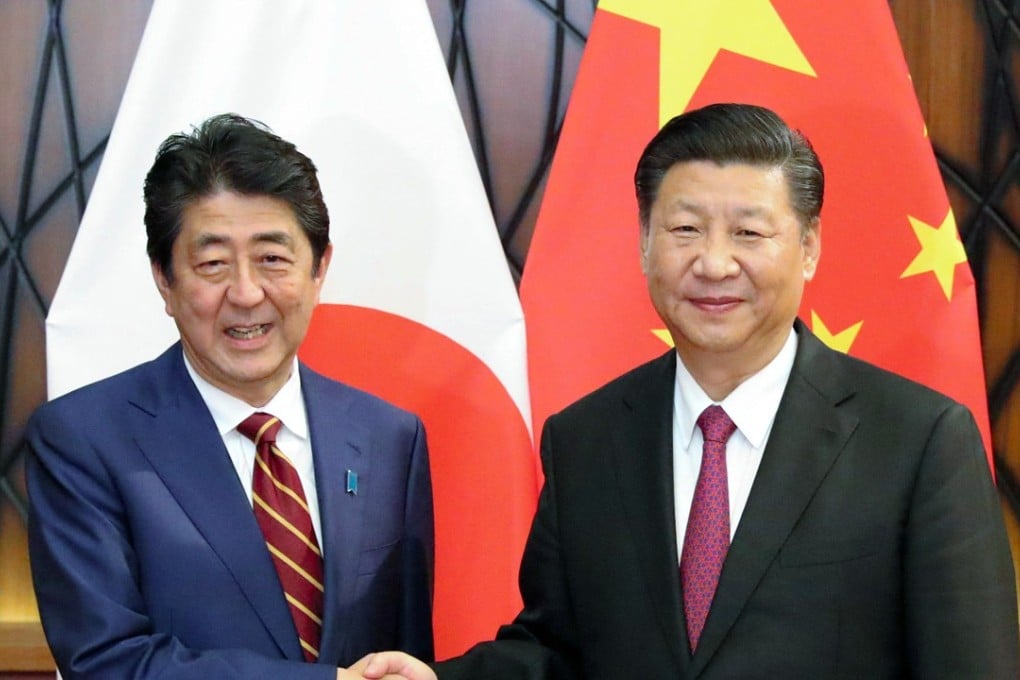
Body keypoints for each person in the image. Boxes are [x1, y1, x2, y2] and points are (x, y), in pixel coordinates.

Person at [359, 103, 1019, 679]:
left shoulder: (917, 440)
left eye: (749, 233)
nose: (713, 262)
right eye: (685, 229)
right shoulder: (586, 439)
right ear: (645, 243)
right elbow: (557, 654)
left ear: (809, 246)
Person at [27, 113, 435, 679]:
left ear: (320, 269)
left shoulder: (390, 437)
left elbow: (404, 654)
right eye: (213, 264)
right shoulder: (84, 440)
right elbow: (108, 662)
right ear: (164, 281)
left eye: (273, 258)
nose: (246, 294)